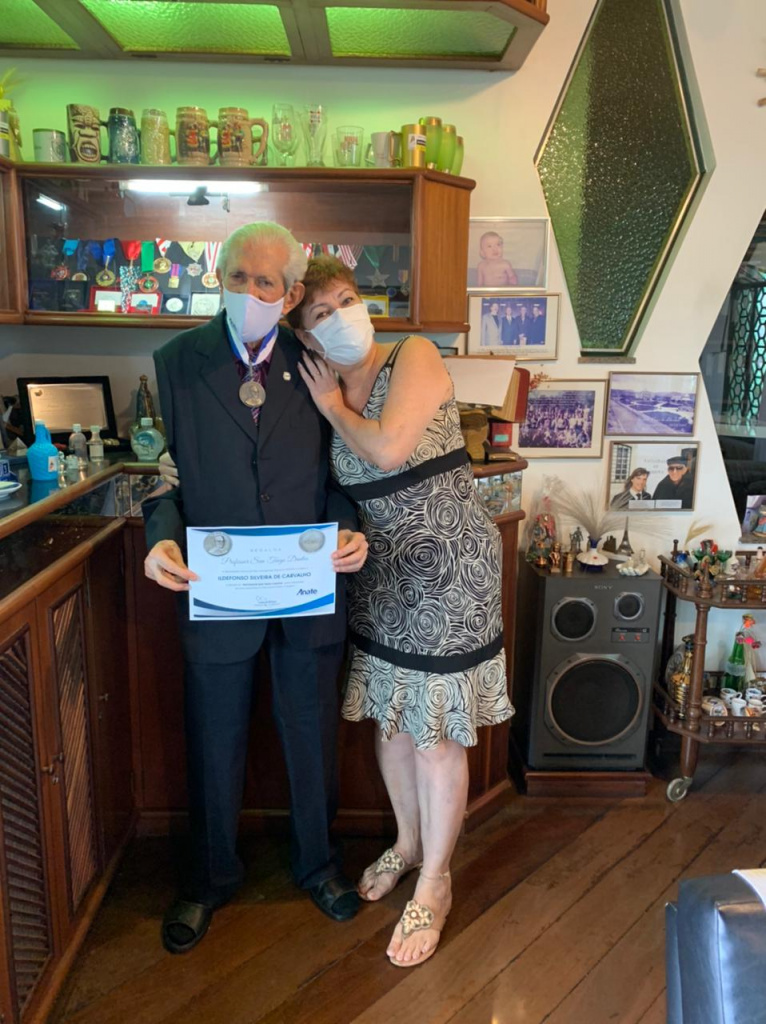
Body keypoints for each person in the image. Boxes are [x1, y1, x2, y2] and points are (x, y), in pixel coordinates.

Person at [142, 223, 369, 955]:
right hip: (215, 587)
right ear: (219, 276)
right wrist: (160, 538)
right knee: (213, 738)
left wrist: (347, 529)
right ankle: (207, 879)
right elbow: (165, 477)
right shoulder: (177, 362)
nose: (247, 291)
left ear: (291, 293)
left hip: (307, 586)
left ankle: (319, 866)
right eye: (236, 277)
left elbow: (343, 474)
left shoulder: (319, 363)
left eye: (264, 282)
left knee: (312, 734)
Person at [289, 255, 514, 968]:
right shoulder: (317, 386)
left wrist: (333, 408)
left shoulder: (411, 355)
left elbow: (387, 449)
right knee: (391, 721)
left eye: (347, 299)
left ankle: (437, 882)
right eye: (322, 312)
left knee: (434, 735)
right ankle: (409, 843)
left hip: (451, 571)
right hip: (382, 575)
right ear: (305, 335)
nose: (342, 317)